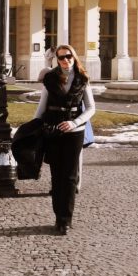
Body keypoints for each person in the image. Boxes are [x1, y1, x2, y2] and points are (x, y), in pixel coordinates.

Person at [34, 44, 95, 235]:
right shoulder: (50, 79)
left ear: (74, 57)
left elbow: (91, 108)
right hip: (53, 130)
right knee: (56, 175)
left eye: (68, 56)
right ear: (57, 60)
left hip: (74, 132)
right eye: (61, 57)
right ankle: (57, 215)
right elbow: (41, 108)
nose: (65, 60)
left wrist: (75, 123)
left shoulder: (82, 79)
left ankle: (65, 219)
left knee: (69, 176)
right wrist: (33, 129)